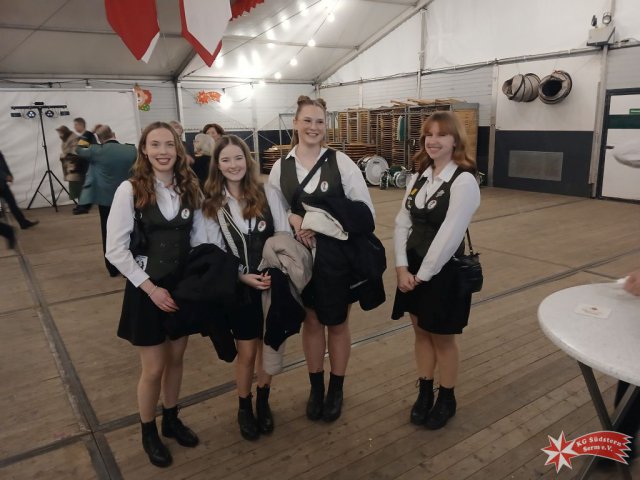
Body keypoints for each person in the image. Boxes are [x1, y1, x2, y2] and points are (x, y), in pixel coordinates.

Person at [268, 95, 375, 423]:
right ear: (295, 123)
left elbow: (365, 213)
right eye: (307, 120)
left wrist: (316, 220)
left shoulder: (340, 162)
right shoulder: (281, 167)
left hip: (337, 258)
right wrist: (293, 219)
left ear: (325, 125)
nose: (313, 127)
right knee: (311, 322)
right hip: (301, 259)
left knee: (338, 323)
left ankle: (336, 388)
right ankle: (316, 387)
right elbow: (276, 214)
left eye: (319, 121)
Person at [105, 121, 203, 468]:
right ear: (144, 150)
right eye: (155, 144)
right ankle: (148, 431)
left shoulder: (189, 188)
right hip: (146, 290)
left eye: (169, 144)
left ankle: (171, 419)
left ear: (178, 149)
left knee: (176, 359)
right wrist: (151, 289)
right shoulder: (129, 190)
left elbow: (199, 239)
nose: (163, 151)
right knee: (153, 367)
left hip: (180, 289)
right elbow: (115, 250)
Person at [196, 134, 291, 440]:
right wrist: (241, 276)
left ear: (247, 160)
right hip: (238, 288)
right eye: (226, 160)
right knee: (247, 352)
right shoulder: (211, 203)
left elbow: (283, 234)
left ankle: (263, 400)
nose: (233, 165)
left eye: (238, 158)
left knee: (269, 346)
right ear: (217, 165)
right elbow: (212, 250)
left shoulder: (267, 192)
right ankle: (244, 406)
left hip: (271, 282)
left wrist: (274, 270)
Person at [391, 111, 480, 430]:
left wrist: (421, 276)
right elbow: (402, 222)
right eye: (429, 134)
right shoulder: (419, 176)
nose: (433, 140)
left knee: (442, 339)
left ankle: (447, 397)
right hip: (412, 269)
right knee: (420, 333)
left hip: (442, 273)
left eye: (441, 134)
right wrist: (401, 266)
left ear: (455, 140)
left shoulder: (464, 181)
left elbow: (450, 235)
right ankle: (425, 390)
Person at [77, 125, 136, 276]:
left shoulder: (96, 151)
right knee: (132, 231)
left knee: (109, 233)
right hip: (130, 197)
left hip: (106, 201)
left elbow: (79, 149)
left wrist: (88, 133)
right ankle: (130, 266)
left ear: (99, 139)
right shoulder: (131, 150)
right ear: (113, 134)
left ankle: (112, 268)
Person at [0, 150, 39, 229]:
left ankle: (23, 223)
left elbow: (4, 165)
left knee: (12, 204)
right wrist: (5, 176)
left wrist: (9, 174)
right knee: (12, 204)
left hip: (2, 184)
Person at [72, 118, 98, 214]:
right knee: (83, 186)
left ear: (81, 125)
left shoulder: (88, 136)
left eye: (76, 125)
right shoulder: (83, 136)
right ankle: (82, 205)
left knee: (86, 186)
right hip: (82, 166)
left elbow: (87, 149)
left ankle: (84, 207)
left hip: (87, 166)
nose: (74, 127)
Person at [56, 126, 84, 202]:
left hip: (76, 166)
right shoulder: (66, 139)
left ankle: (82, 203)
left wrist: (66, 155)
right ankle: (81, 203)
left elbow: (79, 150)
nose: (60, 135)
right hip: (71, 166)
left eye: (61, 133)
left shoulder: (75, 138)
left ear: (65, 132)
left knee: (78, 186)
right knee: (75, 186)